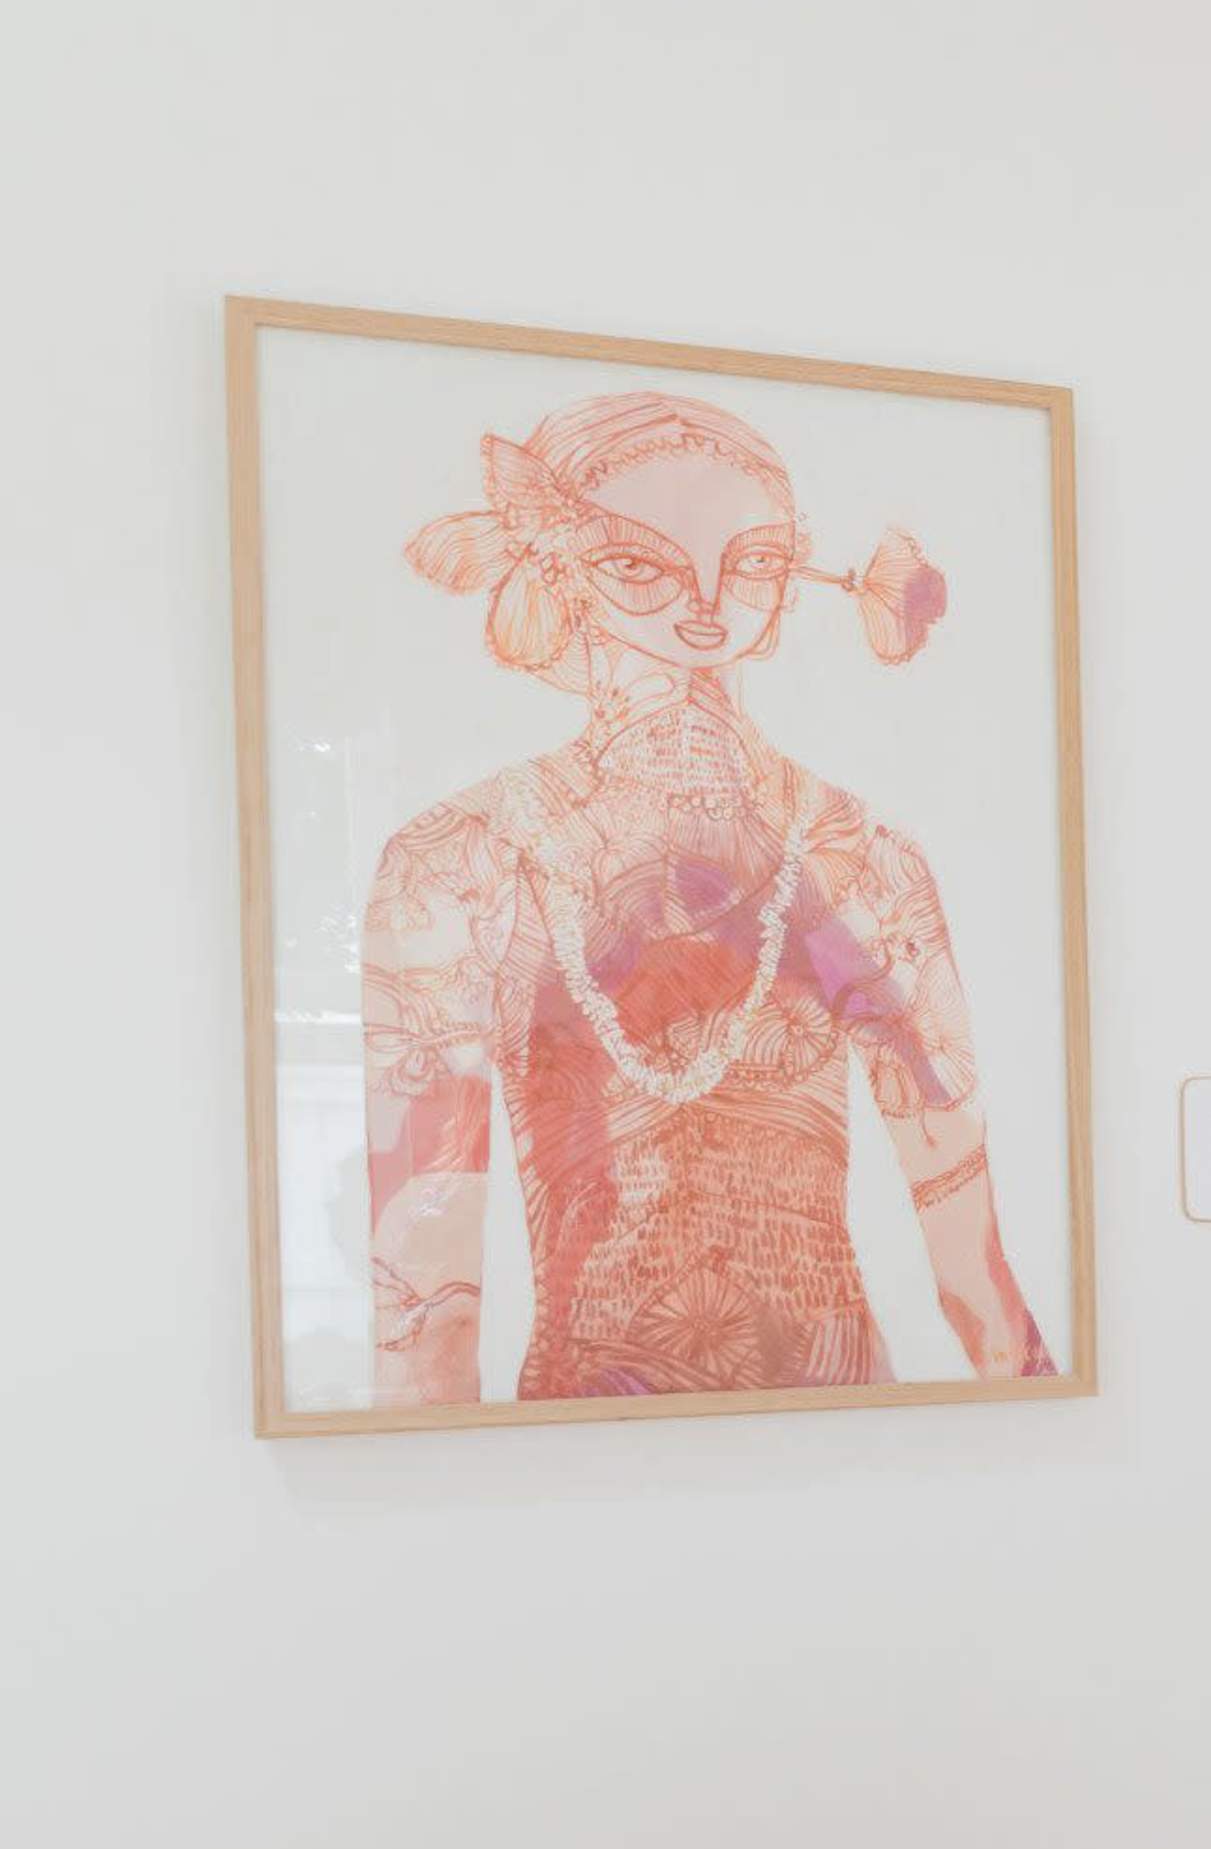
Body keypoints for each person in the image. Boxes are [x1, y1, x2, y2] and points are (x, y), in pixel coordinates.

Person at [362, 390, 1053, 1402]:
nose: (707, 603)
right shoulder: (460, 857)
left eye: (755, 563)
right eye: (638, 562)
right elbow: (423, 1269)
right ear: (557, 563)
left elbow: (964, 1229)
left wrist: (1029, 1428)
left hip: (854, 1423)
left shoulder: (864, 856)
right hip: (576, 1434)